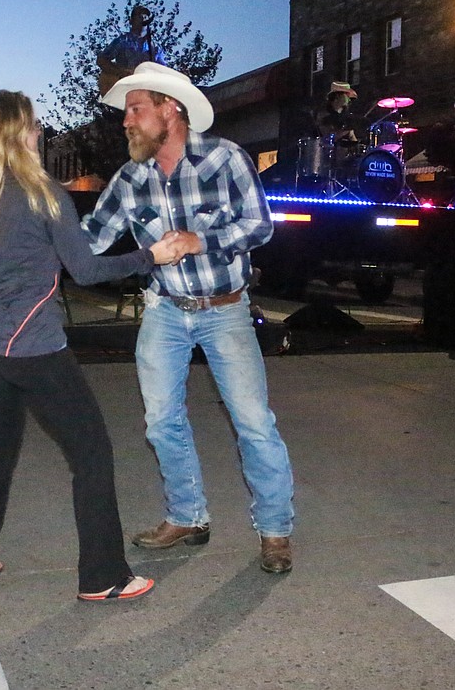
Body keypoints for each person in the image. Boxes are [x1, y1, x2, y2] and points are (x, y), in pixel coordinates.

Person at [0, 90, 182, 601]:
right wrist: (150, 255)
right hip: (35, 347)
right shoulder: (42, 192)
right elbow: (86, 270)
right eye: (32, 125)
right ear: (15, 134)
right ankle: (105, 576)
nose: (39, 132)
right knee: (91, 453)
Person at [82, 62, 296, 574]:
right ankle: (187, 517)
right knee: (161, 421)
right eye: (126, 112)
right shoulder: (131, 178)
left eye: (136, 109)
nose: (126, 121)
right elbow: (90, 238)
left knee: (253, 423)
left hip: (226, 310)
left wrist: (202, 240)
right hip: (165, 310)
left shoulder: (225, 159)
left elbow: (260, 226)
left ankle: (275, 531)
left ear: (169, 110)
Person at [96, 5, 167, 95]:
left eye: (146, 15)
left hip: (144, 92)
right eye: (139, 15)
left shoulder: (156, 48)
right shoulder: (122, 41)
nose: (143, 17)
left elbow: (163, 71)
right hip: (124, 91)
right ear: (131, 21)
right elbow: (101, 60)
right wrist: (119, 72)